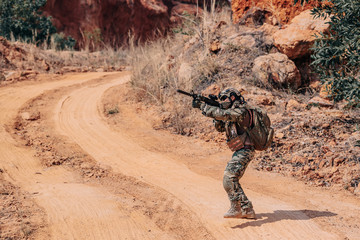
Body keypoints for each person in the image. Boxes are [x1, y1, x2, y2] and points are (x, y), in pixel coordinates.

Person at [192, 87, 256, 219]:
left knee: (229, 177)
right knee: (232, 179)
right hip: (240, 150)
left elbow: (226, 115)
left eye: (224, 98)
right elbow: (220, 127)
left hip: (245, 150)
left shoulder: (241, 109)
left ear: (233, 97)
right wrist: (212, 110)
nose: (222, 101)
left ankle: (237, 208)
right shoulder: (230, 111)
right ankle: (246, 208)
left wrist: (204, 107)